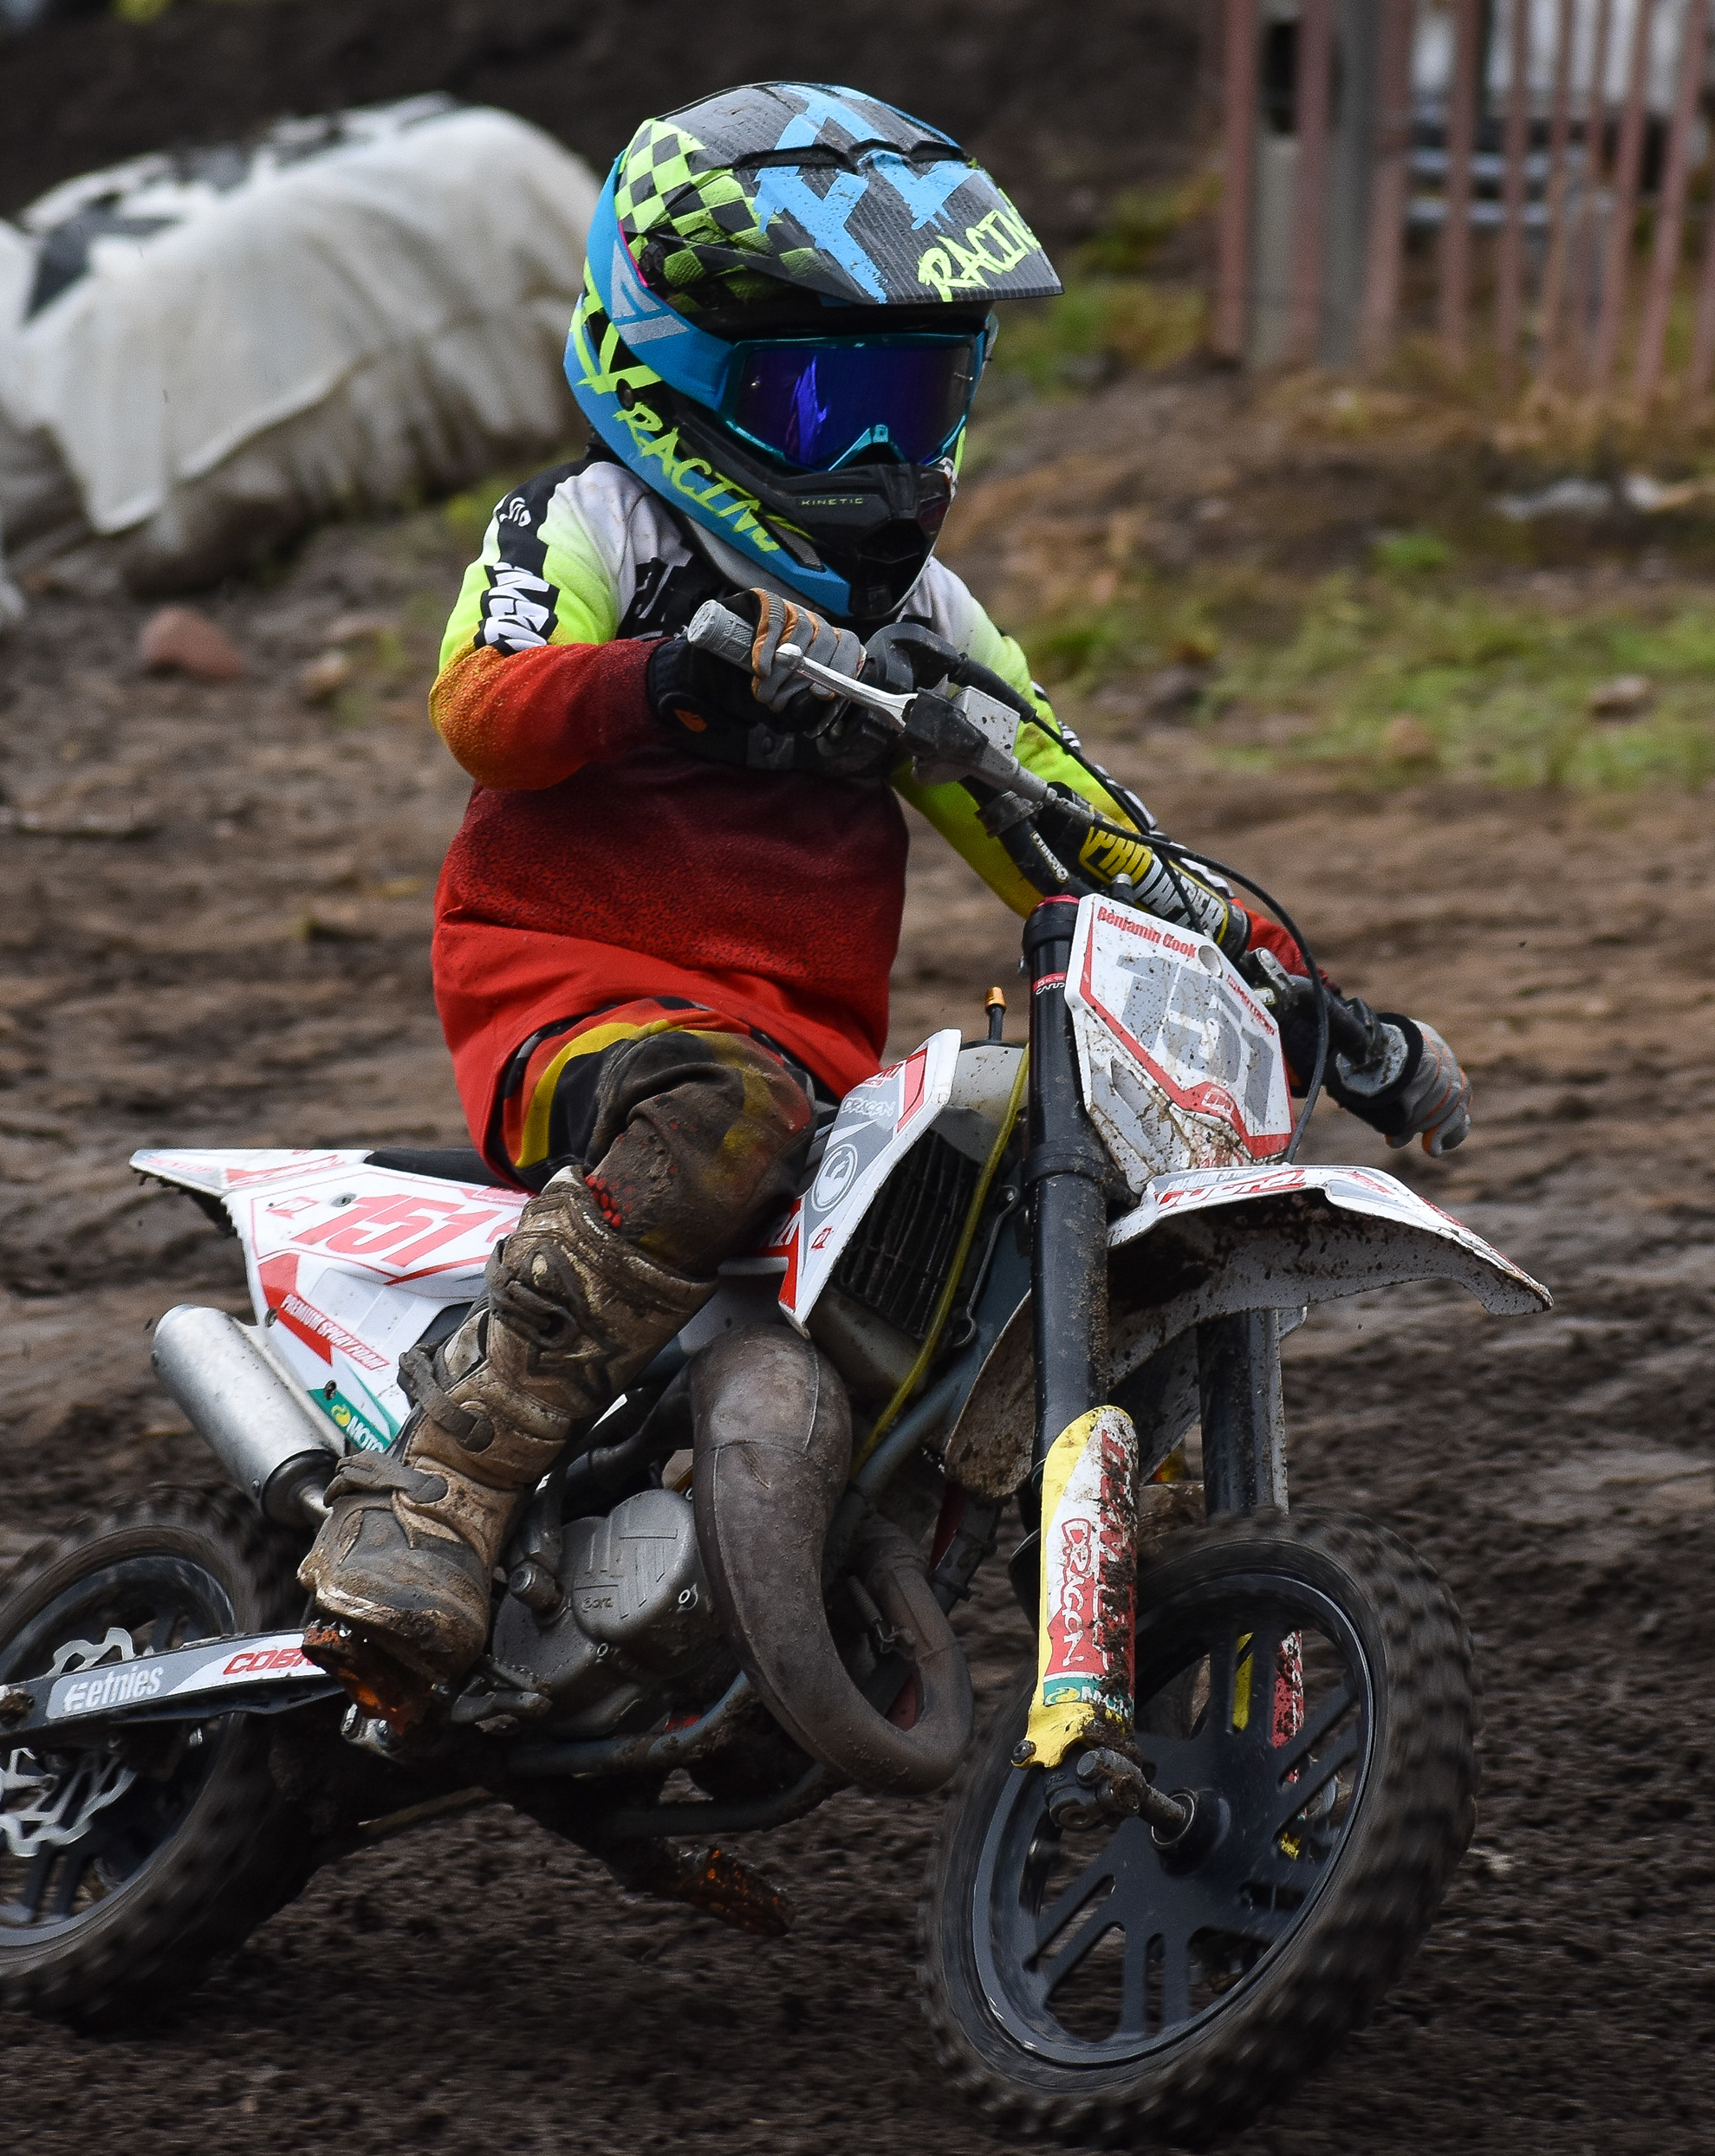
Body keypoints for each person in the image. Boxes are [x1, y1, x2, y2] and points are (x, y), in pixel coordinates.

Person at [298, 81, 1472, 1693]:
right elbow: (481, 711)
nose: (875, 456)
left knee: (1003, 1161)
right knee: (727, 1114)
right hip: (579, 994)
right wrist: (663, 679)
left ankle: (1028, 1544)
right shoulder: (597, 525)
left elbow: (1079, 827)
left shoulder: (921, 620)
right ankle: (445, 1479)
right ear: (677, 365)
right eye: (817, 402)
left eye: (912, 404)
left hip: (802, 1056)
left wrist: (1302, 994)